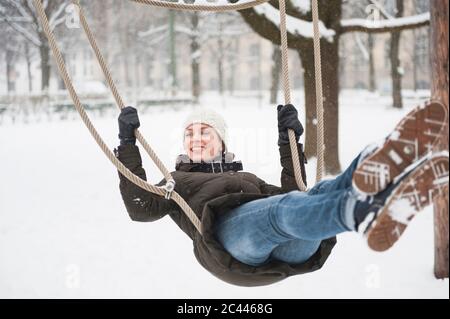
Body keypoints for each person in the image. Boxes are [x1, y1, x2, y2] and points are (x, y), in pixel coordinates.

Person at [114, 102, 448, 287]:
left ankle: (386, 171)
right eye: (190, 133)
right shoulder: (176, 180)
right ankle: (359, 213)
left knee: (314, 194)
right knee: (283, 210)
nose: (196, 138)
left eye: (205, 131)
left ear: (222, 140)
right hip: (228, 244)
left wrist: (288, 142)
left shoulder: (246, 177)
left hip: (289, 251)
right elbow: (140, 208)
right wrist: (128, 146)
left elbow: (296, 191)